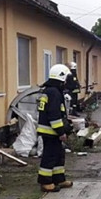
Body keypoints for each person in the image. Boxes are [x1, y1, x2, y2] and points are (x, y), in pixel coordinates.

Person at [36, 64, 74, 192]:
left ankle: (59, 179)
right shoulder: (54, 93)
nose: (68, 81)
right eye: (66, 78)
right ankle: (45, 182)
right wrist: (61, 132)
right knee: (50, 156)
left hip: (51, 130)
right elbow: (54, 115)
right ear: (61, 77)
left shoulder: (51, 91)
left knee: (58, 155)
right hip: (51, 131)